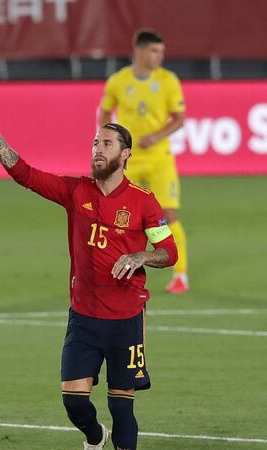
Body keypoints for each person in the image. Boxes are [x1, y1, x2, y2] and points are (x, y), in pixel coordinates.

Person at [0, 106, 178, 450]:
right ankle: (94, 437)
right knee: (73, 402)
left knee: (122, 407)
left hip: (125, 320)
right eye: (94, 143)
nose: (97, 149)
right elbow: (25, 174)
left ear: (125, 153)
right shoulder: (75, 191)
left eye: (106, 143)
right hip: (83, 318)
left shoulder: (143, 202)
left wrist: (140, 256)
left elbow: (169, 251)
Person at [98, 29, 189, 294]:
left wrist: (156, 136)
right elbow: (104, 110)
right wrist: (108, 141)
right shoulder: (118, 81)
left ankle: (180, 275)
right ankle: (114, 270)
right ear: (139, 51)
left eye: (162, 52)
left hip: (160, 159)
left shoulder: (168, 80)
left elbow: (179, 117)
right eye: (154, 51)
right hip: (129, 160)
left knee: (169, 214)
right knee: (118, 214)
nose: (159, 56)